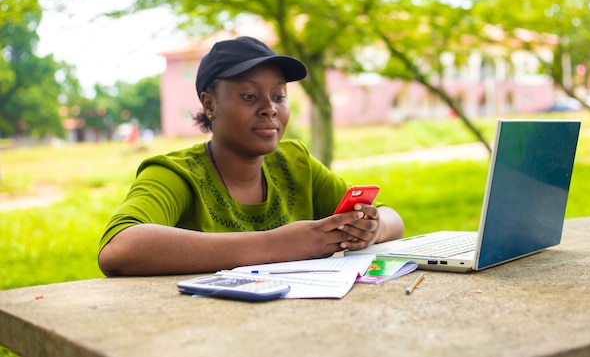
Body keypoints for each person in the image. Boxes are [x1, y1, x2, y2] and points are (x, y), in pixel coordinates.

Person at [98, 36, 405, 276]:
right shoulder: (176, 174)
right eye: (249, 96)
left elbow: (393, 218)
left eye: (279, 96)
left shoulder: (297, 163)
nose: (269, 108)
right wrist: (279, 244)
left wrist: (373, 229)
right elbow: (119, 249)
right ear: (210, 105)